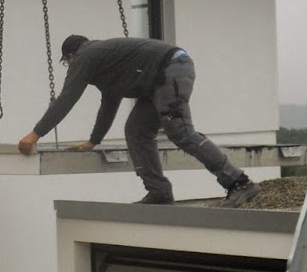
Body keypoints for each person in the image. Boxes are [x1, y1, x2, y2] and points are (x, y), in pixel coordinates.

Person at [17, 34, 261, 207]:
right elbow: (109, 104)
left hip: (170, 68)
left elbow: (66, 99)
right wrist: (94, 140)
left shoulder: (85, 57)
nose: (70, 66)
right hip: (161, 75)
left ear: (71, 55)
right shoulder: (105, 63)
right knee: (136, 130)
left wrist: (35, 134)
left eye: (67, 62)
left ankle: (239, 183)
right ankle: (159, 192)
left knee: (180, 131)